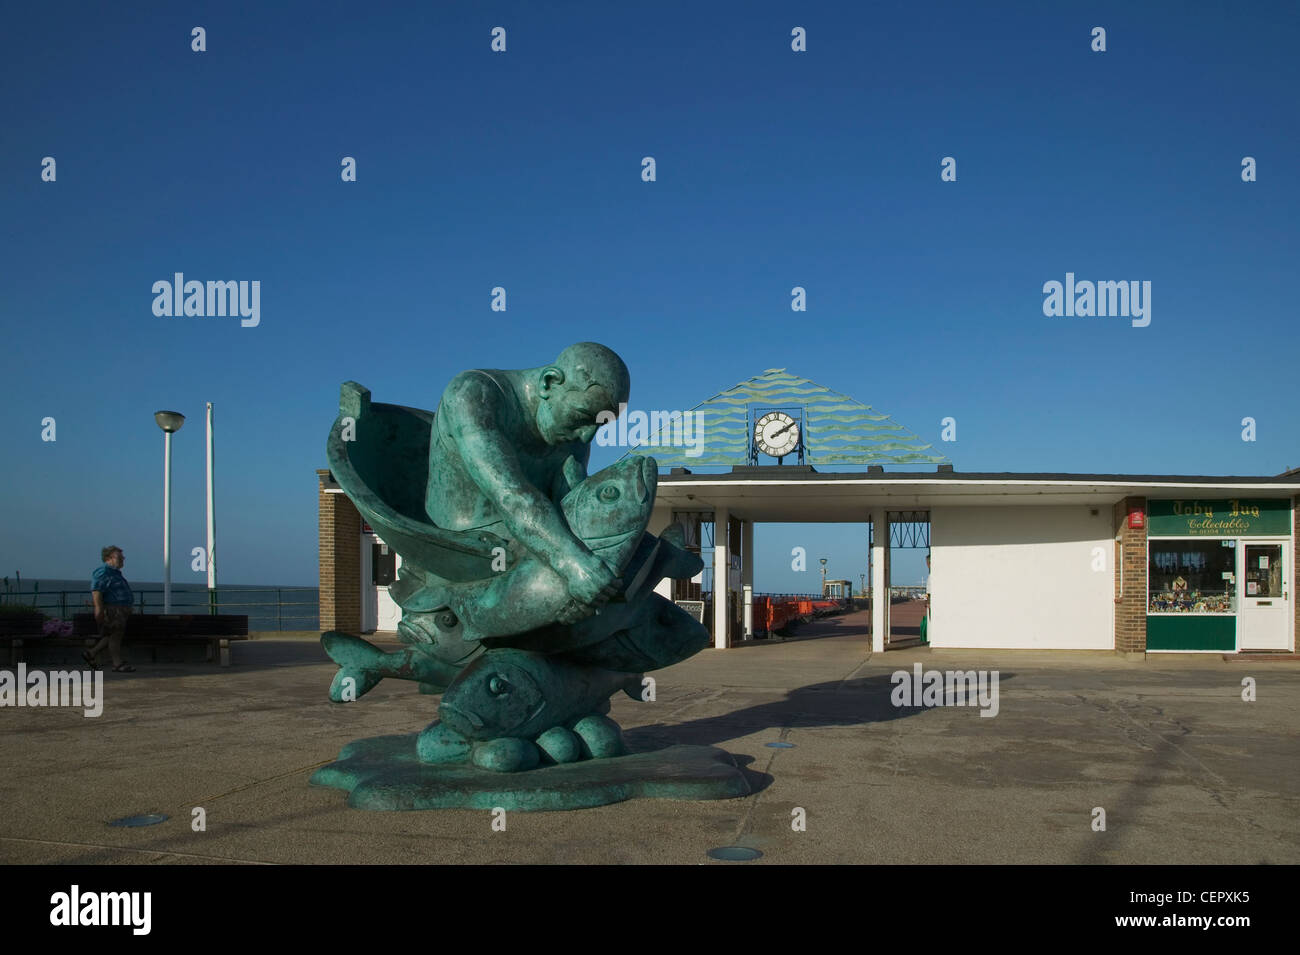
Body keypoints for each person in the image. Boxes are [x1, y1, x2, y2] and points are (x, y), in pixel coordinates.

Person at [423, 342, 631, 623]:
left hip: (531, 550)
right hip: (464, 549)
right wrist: (572, 563)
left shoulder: (572, 439)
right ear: (550, 382)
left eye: (599, 424)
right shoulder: (473, 394)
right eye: (584, 417)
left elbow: (577, 511)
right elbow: (509, 495)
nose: (586, 437)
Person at [86, 546, 135, 672]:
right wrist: (98, 609)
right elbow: (97, 590)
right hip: (113, 610)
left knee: (112, 635)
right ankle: (117, 663)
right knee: (115, 636)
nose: (123, 559)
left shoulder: (114, 572)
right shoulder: (103, 571)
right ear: (109, 558)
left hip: (120, 609)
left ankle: (91, 653)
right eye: (119, 557)